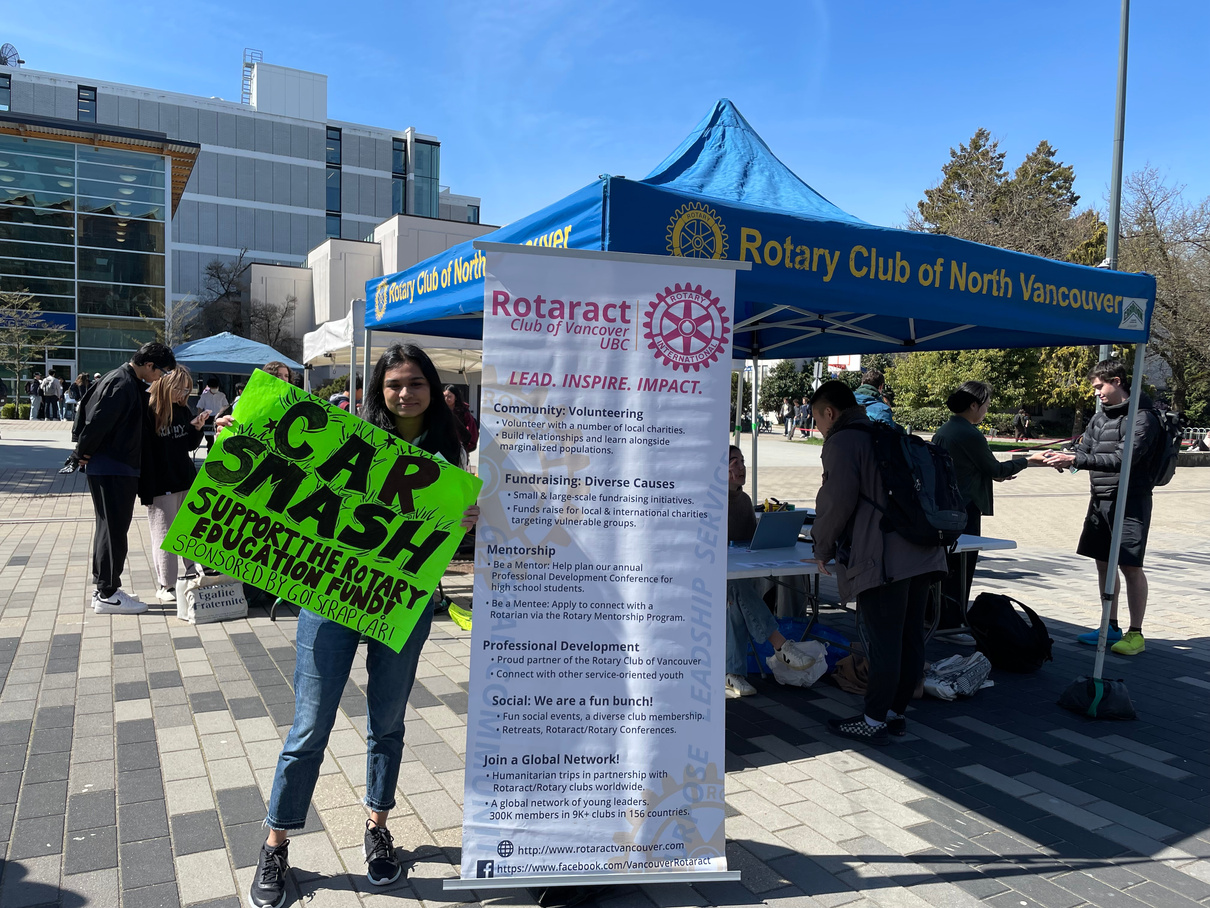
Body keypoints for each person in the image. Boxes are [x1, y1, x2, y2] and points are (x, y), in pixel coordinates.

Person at [249, 343, 480, 908]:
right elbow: (291, 480)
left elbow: (439, 548)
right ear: (380, 387)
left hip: (402, 603)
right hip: (330, 597)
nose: (405, 393)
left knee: (388, 722)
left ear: (434, 388)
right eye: (395, 383)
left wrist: (464, 522)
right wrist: (248, 435)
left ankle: (378, 826)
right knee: (309, 727)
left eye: (416, 383)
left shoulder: (450, 460)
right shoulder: (349, 440)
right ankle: (276, 842)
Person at [808, 381, 946, 744]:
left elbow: (836, 502)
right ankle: (896, 714)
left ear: (829, 413)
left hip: (884, 557)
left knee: (883, 641)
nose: (818, 428)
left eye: (816, 420)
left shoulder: (842, 441)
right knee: (909, 636)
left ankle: (872, 720)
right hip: (921, 549)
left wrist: (820, 548)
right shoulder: (885, 430)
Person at [1040, 359, 1162, 656]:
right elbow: (1085, 452)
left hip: (1130, 500)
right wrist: (1063, 459)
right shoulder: (1100, 418)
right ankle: (1110, 625)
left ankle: (1136, 633)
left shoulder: (1142, 417)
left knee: (1130, 566)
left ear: (1117, 381)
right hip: (1100, 499)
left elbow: (1123, 459)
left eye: (1099, 387)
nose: (1096, 393)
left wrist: (1077, 461)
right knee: (1103, 564)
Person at [74, 342, 177, 615]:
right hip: (114, 466)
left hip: (113, 465)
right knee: (114, 530)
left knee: (108, 528)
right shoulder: (122, 383)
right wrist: (81, 453)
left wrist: (83, 453)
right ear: (149, 365)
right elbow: (97, 421)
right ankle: (108, 592)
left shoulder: (122, 379)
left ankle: (104, 588)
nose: (161, 378)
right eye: (162, 372)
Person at [932, 382, 1032, 625]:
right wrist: (1029, 460)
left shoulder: (946, 429)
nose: (987, 408)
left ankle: (937, 616)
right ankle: (953, 623)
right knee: (962, 567)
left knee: (946, 566)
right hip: (965, 508)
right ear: (974, 404)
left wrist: (999, 472)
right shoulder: (969, 433)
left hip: (946, 507)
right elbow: (994, 467)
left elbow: (983, 469)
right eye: (986, 403)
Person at [724, 446, 817, 697]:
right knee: (734, 590)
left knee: (735, 598)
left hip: (739, 578)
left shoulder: (743, 501)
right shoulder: (712, 502)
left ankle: (733, 674)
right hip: (712, 580)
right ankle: (780, 645)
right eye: (734, 462)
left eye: (743, 461)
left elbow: (750, 543)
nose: (741, 467)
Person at [140, 366, 207, 602]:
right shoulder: (150, 410)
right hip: (160, 482)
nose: (184, 393)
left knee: (190, 530)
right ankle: (165, 585)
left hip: (185, 478)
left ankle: (193, 575)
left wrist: (197, 428)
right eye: (180, 388)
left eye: (187, 389)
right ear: (167, 385)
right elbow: (144, 452)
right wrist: (145, 488)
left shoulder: (182, 408)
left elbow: (188, 444)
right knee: (164, 534)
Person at [196, 376, 229, 451]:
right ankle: (210, 451)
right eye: (213, 387)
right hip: (208, 417)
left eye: (216, 387)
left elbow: (226, 406)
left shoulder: (222, 395)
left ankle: (219, 450)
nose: (214, 389)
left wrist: (223, 413)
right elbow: (200, 407)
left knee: (220, 435)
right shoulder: (204, 396)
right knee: (209, 439)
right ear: (210, 387)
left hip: (218, 416)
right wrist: (199, 418)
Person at [443, 384, 479, 453]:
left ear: (456, 397)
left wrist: (464, 448)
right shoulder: (439, 411)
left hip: (459, 450)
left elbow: (471, 432)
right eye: (444, 396)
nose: (446, 399)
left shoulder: (463, 412)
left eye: (449, 396)